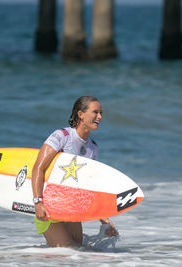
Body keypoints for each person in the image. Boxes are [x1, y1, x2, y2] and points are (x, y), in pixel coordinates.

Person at [31, 96, 118, 247]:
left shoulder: (93, 148)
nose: (100, 117)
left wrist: (105, 220)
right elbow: (38, 167)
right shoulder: (62, 136)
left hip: (71, 208)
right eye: (95, 112)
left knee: (78, 252)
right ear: (80, 114)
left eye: (101, 113)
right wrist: (38, 202)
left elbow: (90, 186)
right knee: (66, 252)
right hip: (49, 205)